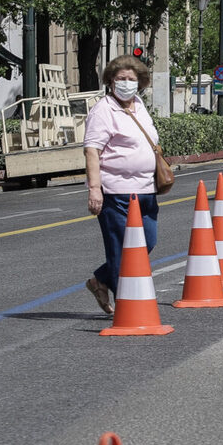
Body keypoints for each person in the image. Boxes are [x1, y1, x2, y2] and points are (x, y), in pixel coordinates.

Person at [82, 54, 163, 318]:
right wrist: (95, 189)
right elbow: (92, 150)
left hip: (146, 190)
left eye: (131, 79)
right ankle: (127, 307)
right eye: (120, 79)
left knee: (147, 242)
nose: (126, 83)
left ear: (140, 82)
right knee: (119, 249)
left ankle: (100, 280)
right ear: (110, 82)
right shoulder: (103, 110)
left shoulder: (138, 104)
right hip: (116, 192)